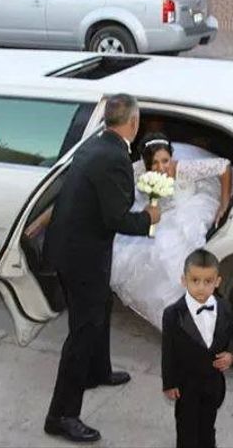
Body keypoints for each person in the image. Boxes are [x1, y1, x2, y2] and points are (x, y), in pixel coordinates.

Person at [43, 94, 161, 443]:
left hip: (73, 248)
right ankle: (61, 415)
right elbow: (118, 218)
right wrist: (149, 219)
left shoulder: (95, 142)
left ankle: (98, 370)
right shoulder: (114, 157)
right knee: (82, 332)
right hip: (83, 257)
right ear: (133, 123)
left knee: (101, 309)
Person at [111, 132, 233, 329]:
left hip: (187, 211)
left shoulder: (183, 168)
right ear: (145, 162)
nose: (161, 168)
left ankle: (194, 310)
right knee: (138, 255)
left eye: (165, 161)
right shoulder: (137, 171)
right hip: (159, 215)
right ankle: (176, 318)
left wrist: (224, 202)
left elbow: (224, 166)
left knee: (171, 252)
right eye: (155, 163)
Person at [162, 249, 233, 448]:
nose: (201, 288)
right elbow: (168, 351)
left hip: (213, 385)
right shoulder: (173, 314)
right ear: (184, 280)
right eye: (195, 280)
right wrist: (169, 383)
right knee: (186, 429)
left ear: (217, 282)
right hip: (186, 385)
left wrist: (231, 355)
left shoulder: (224, 307)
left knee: (208, 427)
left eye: (208, 282)